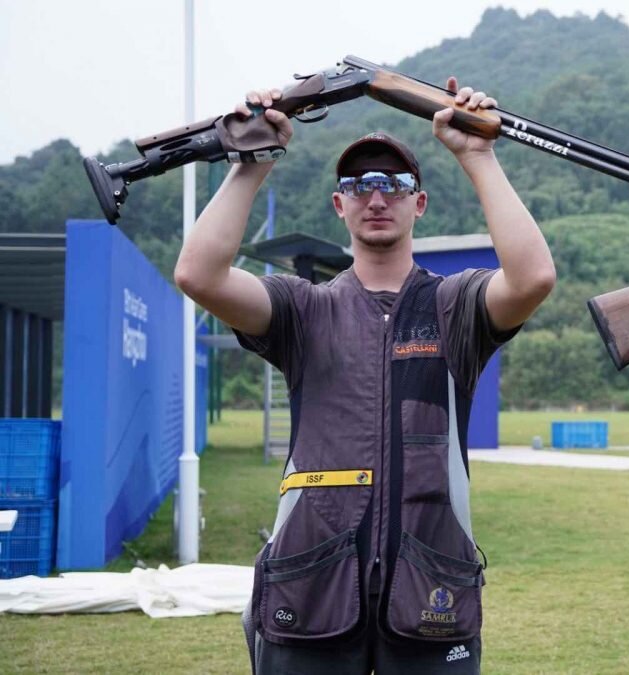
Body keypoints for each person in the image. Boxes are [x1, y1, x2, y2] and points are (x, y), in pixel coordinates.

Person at [174, 79, 555, 674]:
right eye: (358, 185)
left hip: (431, 587)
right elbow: (198, 274)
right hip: (310, 585)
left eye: (395, 184)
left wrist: (476, 155)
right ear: (339, 204)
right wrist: (250, 164)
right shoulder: (303, 309)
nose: (376, 197)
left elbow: (532, 277)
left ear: (418, 203)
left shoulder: (454, 308)